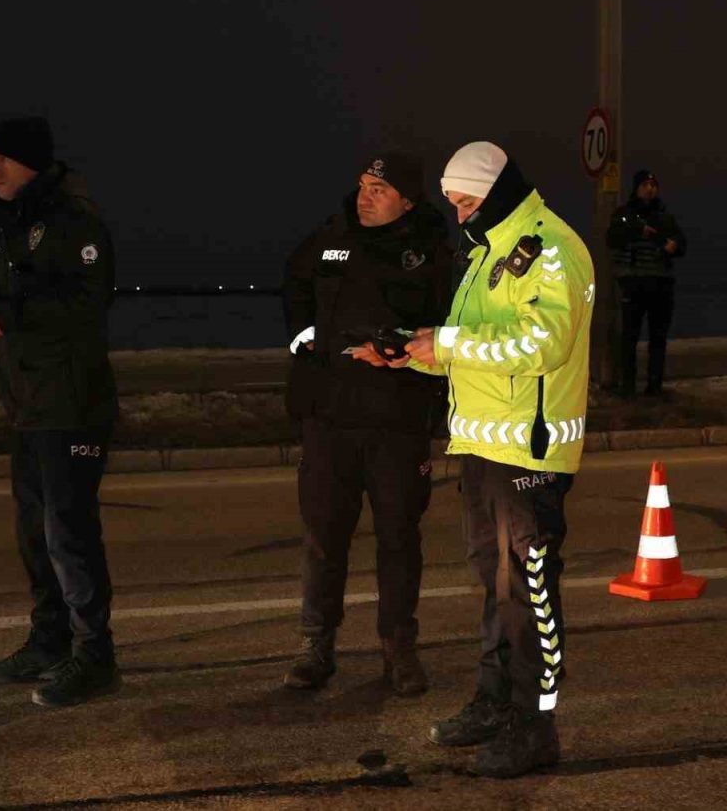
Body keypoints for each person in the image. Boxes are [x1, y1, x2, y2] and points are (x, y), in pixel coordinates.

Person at [395, 141, 594, 778]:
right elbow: (479, 347)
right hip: (484, 445)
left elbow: (542, 343)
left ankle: (536, 727)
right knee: (497, 587)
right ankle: (494, 703)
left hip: (528, 451)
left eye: (467, 202)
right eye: (453, 204)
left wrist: (449, 344)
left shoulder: (552, 248)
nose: (459, 216)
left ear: (498, 192)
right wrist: (418, 352)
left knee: (529, 592)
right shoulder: (488, 251)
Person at [0, 116, 120, 707]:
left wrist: (6, 317)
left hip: (71, 404)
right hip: (29, 401)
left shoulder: (74, 222)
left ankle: (95, 656)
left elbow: (87, 302)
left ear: (31, 161)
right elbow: (28, 302)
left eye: (1, 158)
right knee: (35, 533)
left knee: (69, 534)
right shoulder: (15, 226)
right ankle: (49, 642)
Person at [281, 152, 452, 696]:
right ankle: (316, 645)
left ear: (408, 200)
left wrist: (397, 347)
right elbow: (295, 283)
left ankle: (398, 648)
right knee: (323, 538)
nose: (365, 196)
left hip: (398, 419)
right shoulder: (331, 235)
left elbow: (448, 323)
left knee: (398, 538)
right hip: (329, 417)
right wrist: (303, 337)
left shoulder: (431, 248)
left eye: (379, 189)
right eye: (362, 185)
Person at [606, 169, 688, 397]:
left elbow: (681, 243)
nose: (650, 189)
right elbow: (612, 237)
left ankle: (654, 387)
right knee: (629, 337)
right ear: (636, 188)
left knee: (658, 338)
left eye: (653, 185)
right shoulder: (624, 214)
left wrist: (674, 246)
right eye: (645, 185)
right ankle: (628, 387)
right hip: (633, 282)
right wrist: (638, 230)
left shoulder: (665, 216)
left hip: (661, 283)